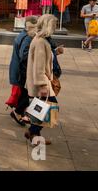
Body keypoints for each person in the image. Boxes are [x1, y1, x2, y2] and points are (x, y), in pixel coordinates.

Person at [25, 14, 59, 145]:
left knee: (40, 108)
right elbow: (39, 66)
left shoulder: (41, 39)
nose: (56, 27)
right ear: (49, 25)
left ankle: (35, 135)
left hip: (42, 80)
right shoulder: (40, 41)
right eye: (54, 24)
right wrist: (42, 85)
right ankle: (33, 132)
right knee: (49, 107)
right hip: (41, 81)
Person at [7, 16, 38, 126]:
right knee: (27, 94)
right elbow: (23, 55)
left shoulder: (22, 34)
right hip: (22, 71)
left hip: (17, 69)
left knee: (23, 93)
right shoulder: (28, 37)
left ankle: (19, 112)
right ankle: (17, 112)